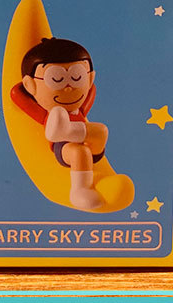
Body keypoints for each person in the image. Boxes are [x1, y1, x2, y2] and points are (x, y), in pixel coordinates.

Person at [11, 36, 109, 210]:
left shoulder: (81, 107)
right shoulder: (48, 114)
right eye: (56, 79)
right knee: (80, 152)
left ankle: (67, 131)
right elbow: (16, 94)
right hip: (61, 146)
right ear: (30, 85)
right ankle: (80, 190)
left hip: (89, 144)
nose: (68, 88)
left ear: (90, 78)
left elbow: (91, 91)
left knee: (101, 130)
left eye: (77, 77)